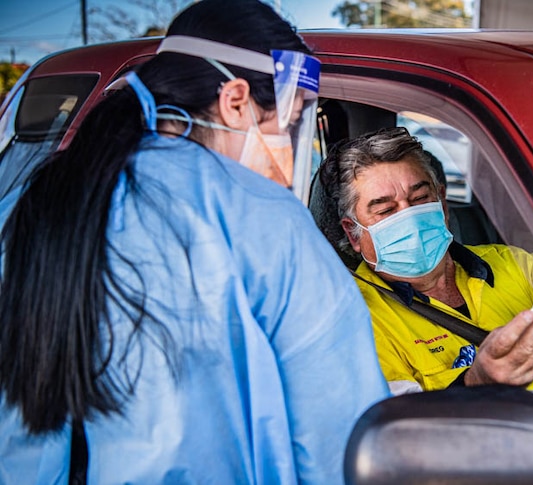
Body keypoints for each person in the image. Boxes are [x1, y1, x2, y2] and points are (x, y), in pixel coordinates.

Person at [0, 1, 388, 483]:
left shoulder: (28, 202)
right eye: (286, 125)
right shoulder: (264, 217)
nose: (288, 146)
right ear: (235, 100)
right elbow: (341, 436)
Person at [316, 126, 533, 410]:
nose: (409, 217)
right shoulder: (354, 320)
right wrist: (476, 384)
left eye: (420, 199)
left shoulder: (513, 263)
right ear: (353, 234)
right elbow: (398, 433)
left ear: (442, 203)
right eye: (386, 210)